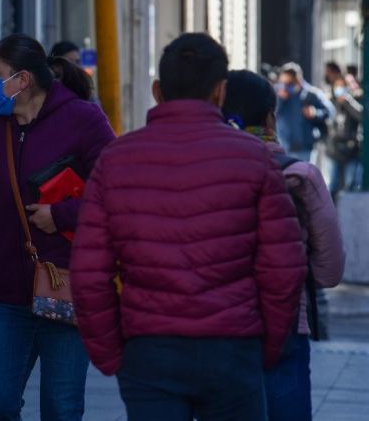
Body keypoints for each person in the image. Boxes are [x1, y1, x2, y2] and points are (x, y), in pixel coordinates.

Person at [70, 33, 307, 421]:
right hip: (233, 345)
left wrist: (110, 352)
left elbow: (89, 271)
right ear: (220, 91)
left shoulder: (117, 160)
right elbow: (283, 268)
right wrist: (267, 346)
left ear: (158, 90)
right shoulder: (254, 159)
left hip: (148, 348)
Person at [0, 33, 115, 420]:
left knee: (61, 409)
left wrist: (59, 216)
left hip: (65, 286)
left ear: (22, 80)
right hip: (3, 296)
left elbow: (114, 189)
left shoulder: (83, 121)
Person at [222, 69, 346, 421]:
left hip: (216, 326)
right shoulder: (300, 175)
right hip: (287, 321)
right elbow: (331, 268)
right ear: (271, 117)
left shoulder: (200, 172)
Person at [275, 62, 333, 162]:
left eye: (290, 83)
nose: (286, 86)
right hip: (284, 147)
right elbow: (273, 114)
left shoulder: (311, 94)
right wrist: (280, 99)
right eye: (283, 83)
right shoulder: (278, 94)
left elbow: (329, 111)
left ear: (298, 80)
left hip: (304, 148)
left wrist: (315, 113)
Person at [322, 63, 363, 198]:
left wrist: (348, 102)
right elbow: (324, 118)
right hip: (333, 149)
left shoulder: (353, 102)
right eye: (337, 87)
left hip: (350, 149)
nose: (340, 90)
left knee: (350, 185)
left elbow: (361, 116)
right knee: (333, 185)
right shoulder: (330, 102)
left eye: (342, 87)